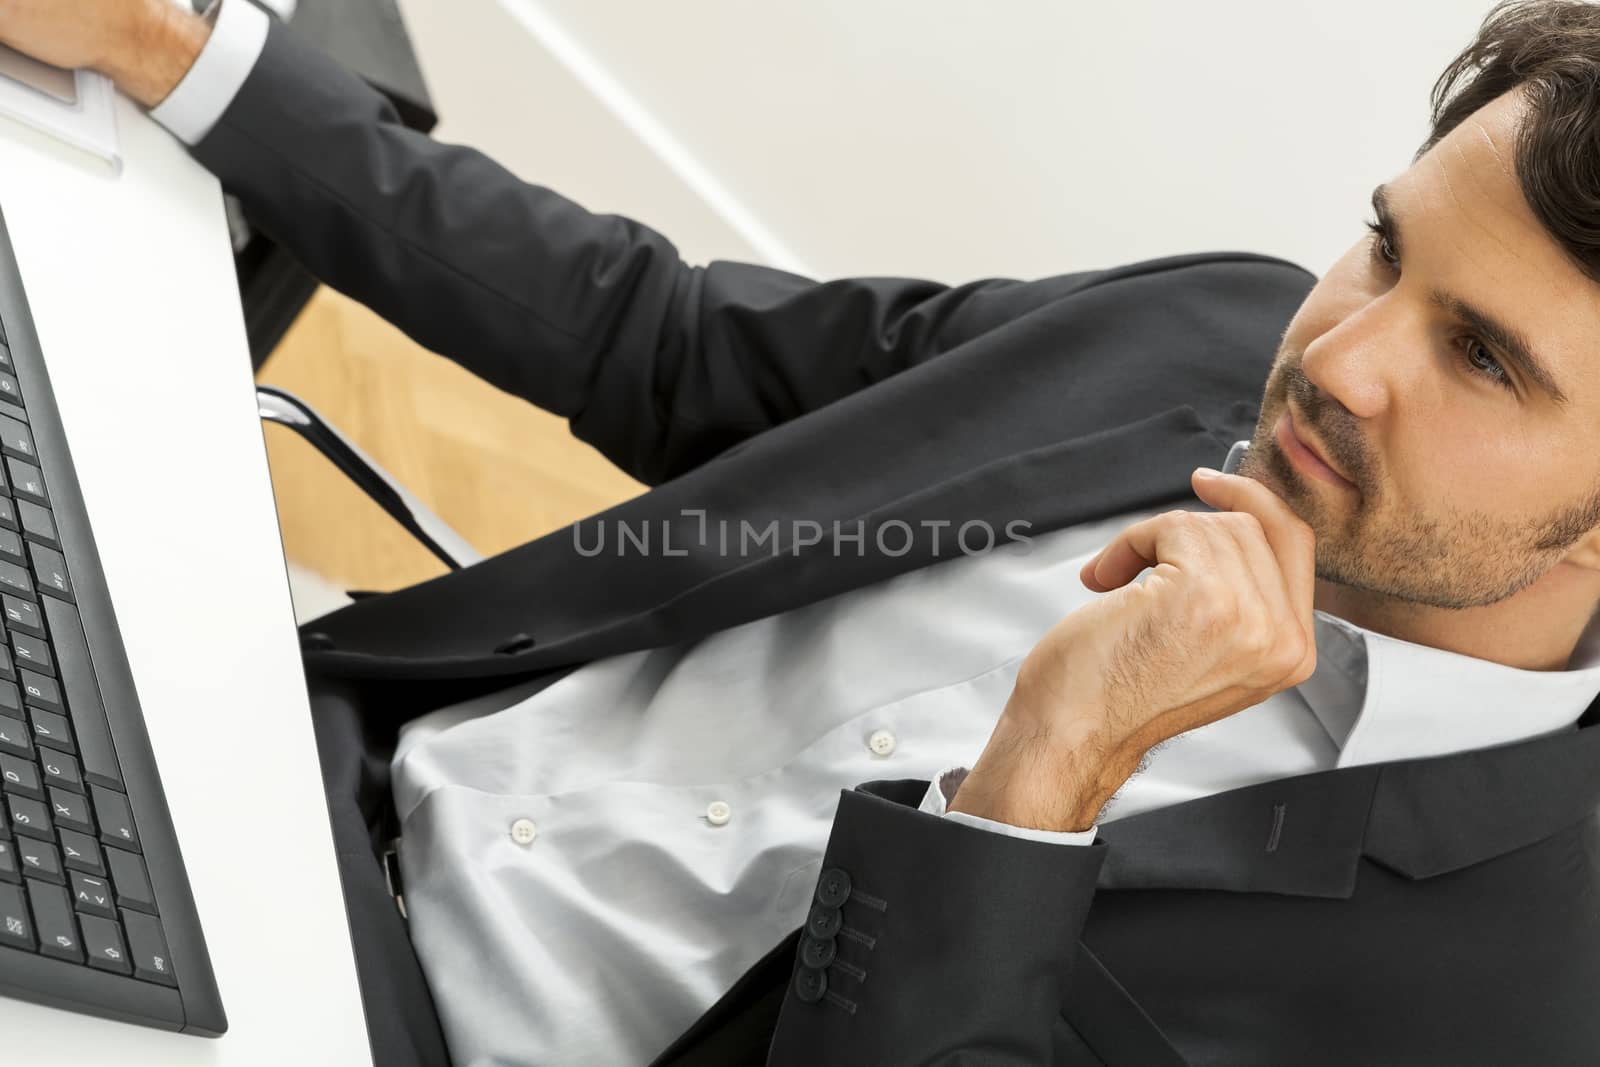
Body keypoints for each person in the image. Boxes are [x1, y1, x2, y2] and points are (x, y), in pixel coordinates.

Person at [7, 0, 1600, 1063]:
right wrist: (178, 49)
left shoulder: (1508, 992)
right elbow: (672, 340)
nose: (1337, 357)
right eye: (1383, 248)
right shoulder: (1209, 329)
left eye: (1479, 357)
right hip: (288, 764)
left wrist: (1034, 790)